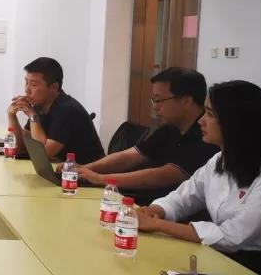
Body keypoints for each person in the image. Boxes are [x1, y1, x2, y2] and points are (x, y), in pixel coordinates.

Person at [136, 80, 261, 257]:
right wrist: (154, 211)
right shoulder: (218, 160)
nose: (201, 121)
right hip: (217, 255)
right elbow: (182, 198)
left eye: (210, 114)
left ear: (234, 121)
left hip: (252, 265)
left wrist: (158, 225)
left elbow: (232, 236)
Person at [75, 68, 218, 202]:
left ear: (186, 100)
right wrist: (85, 169)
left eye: (159, 100)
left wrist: (100, 178)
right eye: (153, 100)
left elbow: (163, 176)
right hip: (159, 204)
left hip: (172, 209)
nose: (155, 107)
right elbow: (129, 156)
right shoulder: (170, 128)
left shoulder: (208, 136)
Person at [7, 57, 104, 164]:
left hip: (84, 172)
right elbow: (23, 146)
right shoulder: (39, 105)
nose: (27, 89)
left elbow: (43, 154)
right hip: (60, 168)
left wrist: (33, 116)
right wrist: (12, 115)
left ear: (53, 87)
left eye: (33, 84)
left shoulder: (67, 110)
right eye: (26, 82)